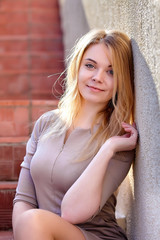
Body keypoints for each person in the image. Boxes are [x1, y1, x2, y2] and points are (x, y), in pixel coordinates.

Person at [12, 29, 138, 240]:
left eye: (111, 72)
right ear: (77, 67)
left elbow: (72, 213)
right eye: (90, 66)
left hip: (92, 235)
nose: (97, 78)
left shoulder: (118, 139)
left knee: (32, 220)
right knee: (30, 219)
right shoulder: (46, 123)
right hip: (39, 233)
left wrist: (107, 149)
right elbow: (23, 198)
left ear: (121, 81)